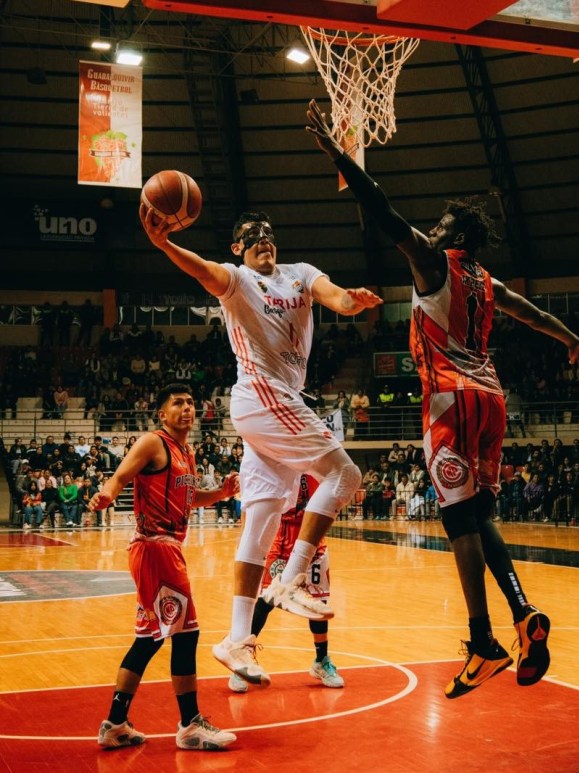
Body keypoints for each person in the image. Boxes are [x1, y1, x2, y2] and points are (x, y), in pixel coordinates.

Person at [307, 98, 579, 697]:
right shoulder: (487, 282)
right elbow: (536, 313)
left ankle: (483, 639)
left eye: (442, 226)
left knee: (455, 521)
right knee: (480, 516)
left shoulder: (435, 263)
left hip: (450, 400)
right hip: (492, 399)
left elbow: (381, 208)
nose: (432, 229)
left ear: (456, 237)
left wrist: (338, 154)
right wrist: (572, 340)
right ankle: (522, 615)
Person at [140, 202, 381, 689]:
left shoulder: (301, 274)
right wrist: (165, 243)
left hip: (272, 406)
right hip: (261, 394)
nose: (262, 240)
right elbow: (202, 269)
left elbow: (333, 297)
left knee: (263, 520)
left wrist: (351, 301)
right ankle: (291, 579)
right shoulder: (236, 279)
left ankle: (236, 640)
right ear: (237, 248)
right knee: (345, 474)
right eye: (252, 235)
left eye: (268, 234)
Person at [89, 383, 238, 751]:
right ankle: (189, 725)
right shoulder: (153, 442)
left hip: (164, 548)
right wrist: (107, 492)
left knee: (148, 638)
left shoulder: (186, 450)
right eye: (178, 403)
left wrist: (220, 493)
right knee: (186, 634)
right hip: (155, 547)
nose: (187, 409)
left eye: (190, 403)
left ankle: (115, 724)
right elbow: (122, 476)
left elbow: (186, 499)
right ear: (162, 413)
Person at [229, 475, 344, 693]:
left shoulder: (321, 457)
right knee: (265, 601)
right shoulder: (278, 456)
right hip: (281, 539)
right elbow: (250, 500)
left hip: (313, 539)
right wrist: (244, 536)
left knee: (316, 603)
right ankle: (240, 661)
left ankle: (321, 660)